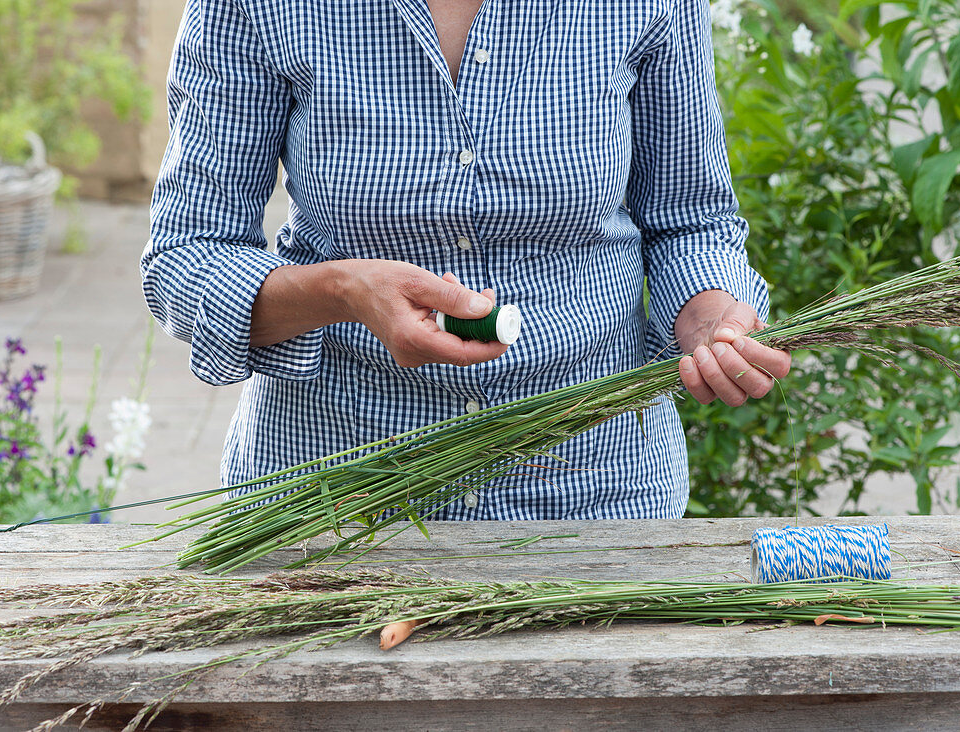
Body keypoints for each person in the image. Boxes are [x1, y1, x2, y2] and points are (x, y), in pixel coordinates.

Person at [141, 0, 791, 521]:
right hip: (337, 503)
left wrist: (709, 312)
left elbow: (691, 219)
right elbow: (187, 257)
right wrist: (343, 289)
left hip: (597, 501)